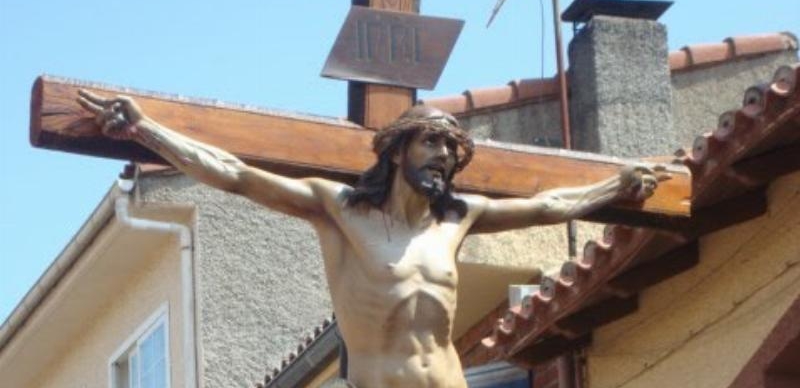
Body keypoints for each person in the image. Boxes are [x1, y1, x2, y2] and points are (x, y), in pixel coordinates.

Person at [78, 90, 667, 388]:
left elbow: (545, 206)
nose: (444, 158)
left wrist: (613, 188)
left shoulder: (456, 218)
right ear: (398, 148)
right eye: (433, 144)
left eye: (452, 151)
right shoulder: (337, 210)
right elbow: (233, 174)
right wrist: (148, 131)